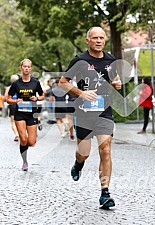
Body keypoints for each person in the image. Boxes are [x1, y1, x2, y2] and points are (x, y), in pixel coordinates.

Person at [59, 26, 122, 209]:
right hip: (85, 113)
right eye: (95, 38)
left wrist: (116, 83)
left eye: (102, 38)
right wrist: (81, 93)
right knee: (84, 153)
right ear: (88, 41)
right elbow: (63, 83)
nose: (99, 41)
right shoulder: (79, 61)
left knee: (105, 150)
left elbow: (114, 78)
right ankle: (78, 164)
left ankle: (105, 192)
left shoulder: (110, 59)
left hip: (104, 111)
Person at [7, 59, 45, 171]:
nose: (27, 68)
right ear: (21, 68)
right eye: (25, 66)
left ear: (31, 68)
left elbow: (42, 95)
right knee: (23, 139)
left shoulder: (35, 82)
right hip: (20, 114)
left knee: (31, 142)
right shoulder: (16, 84)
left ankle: (24, 147)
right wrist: (15, 101)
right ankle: (24, 161)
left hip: (32, 114)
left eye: (28, 67)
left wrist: (37, 98)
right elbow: (8, 99)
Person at [4, 74, 19, 141]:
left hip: (12, 104)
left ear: (11, 81)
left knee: (13, 122)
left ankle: (17, 135)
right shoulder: (21, 87)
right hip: (20, 104)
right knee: (21, 120)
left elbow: (5, 97)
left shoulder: (8, 88)